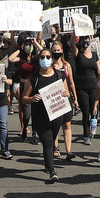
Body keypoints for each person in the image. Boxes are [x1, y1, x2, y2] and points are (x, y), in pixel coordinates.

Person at [23, 47, 72, 182]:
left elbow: (67, 93)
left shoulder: (60, 75)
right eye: (42, 57)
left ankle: (47, 163)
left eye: (48, 57)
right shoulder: (34, 78)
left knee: (51, 140)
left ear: (52, 59)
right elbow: (24, 98)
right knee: (48, 143)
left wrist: (66, 94)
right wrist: (32, 98)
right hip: (40, 117)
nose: (45, 60)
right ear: (38, 60)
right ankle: (52, 171)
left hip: (57, 115)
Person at [49, 40, 79, 160]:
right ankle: (56, 148)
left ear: (62, 51)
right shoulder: (49, 66)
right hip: (53, 100)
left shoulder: (66, 66)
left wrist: (75, 98)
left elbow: (71, 83)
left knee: (67, 124)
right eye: (54, 50)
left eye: (58, 50)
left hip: (66, 99)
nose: (57, 52)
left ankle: (68, 151)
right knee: (55, 125)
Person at [69, 35, 100, 145]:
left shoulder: (95, 55)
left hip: (93, 86)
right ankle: (86, 135)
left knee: (94, 111)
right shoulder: (78, 54)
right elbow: (72, 42)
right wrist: (74, 30)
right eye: (83, 39)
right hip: (81, 87)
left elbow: (99, 71)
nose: (86, 41)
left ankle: (92, 130)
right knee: (86, 112)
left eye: (87, 39)